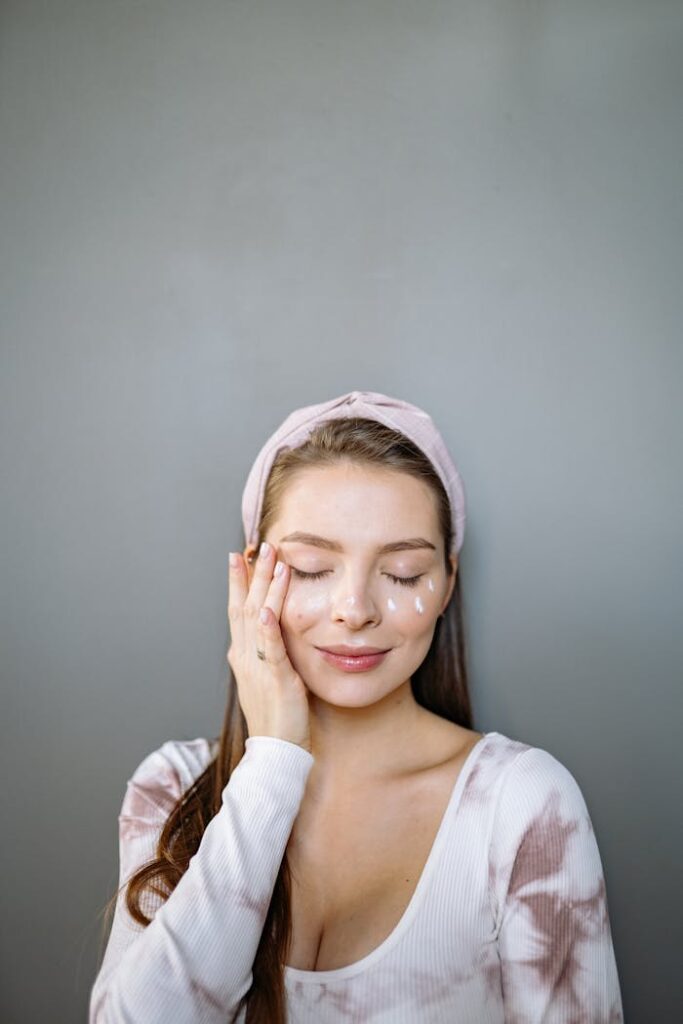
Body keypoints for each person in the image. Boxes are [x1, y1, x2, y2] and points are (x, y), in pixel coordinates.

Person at [89, 390, 624, 1023]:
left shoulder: (524, 805)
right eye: (312, 568)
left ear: (448, 581)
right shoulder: (170, 787)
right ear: (254, 571)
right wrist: (273, 761)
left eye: (401, 573)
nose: (355, 609)